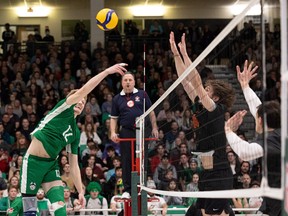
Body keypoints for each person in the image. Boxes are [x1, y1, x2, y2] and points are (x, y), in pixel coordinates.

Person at [19, 63, 127, 216]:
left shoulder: (75, 133)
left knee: (60, 209)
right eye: (79, 99)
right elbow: (84, 90)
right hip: (33, 163)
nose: (81, 102)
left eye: (83, 102)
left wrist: (81, 191)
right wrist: (106, 72)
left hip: (51, 166)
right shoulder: (63, 108)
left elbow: (74, 164)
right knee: (29, 212)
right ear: (70, 100)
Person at [170, 32, 236, 215]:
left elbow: (196, 82)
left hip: (219, 172)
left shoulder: (215, 108)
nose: (204, 91)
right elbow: (185, 82)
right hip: (207, 173)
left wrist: (186, 55)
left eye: (208, 90)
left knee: (209, 213)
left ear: (215, 96)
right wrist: (176, 55)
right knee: (194, 212)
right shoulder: (200, 105)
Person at [225, 60, 281, 215]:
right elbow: (258, 108)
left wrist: (228, 130)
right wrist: (245, 86)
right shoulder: (279, 132)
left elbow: (245, 152)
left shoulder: (271, 141)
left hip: (280, 203)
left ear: (261, 121)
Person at [110, 72, 159, 198]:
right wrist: (112, 132)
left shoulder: (142, 94)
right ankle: (127, 190)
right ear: (122, 83)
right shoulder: (117, 98)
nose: (127, 82)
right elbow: (114, 118)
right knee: (126, 159)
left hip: (142, 130)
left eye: (130, 80)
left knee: (143, 159)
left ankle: (142, 188)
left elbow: (151, 112)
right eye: (125, 80)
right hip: (126, 131)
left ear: (134, 82)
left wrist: (154, 127)